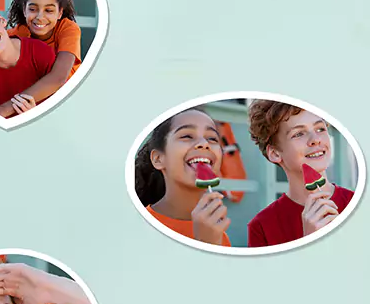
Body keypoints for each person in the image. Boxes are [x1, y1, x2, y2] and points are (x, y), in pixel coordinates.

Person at [246, 101, 354, 247]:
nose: (315, 140)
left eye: (320, 129)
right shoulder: (261, 227)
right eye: (299, 134)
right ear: (275, 153)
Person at [134, 108, 232, 246]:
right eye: (186, 136)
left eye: (212, 138)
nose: (204, 143)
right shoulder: (136, 229)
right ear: (158, 159)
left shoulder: (218, 234)